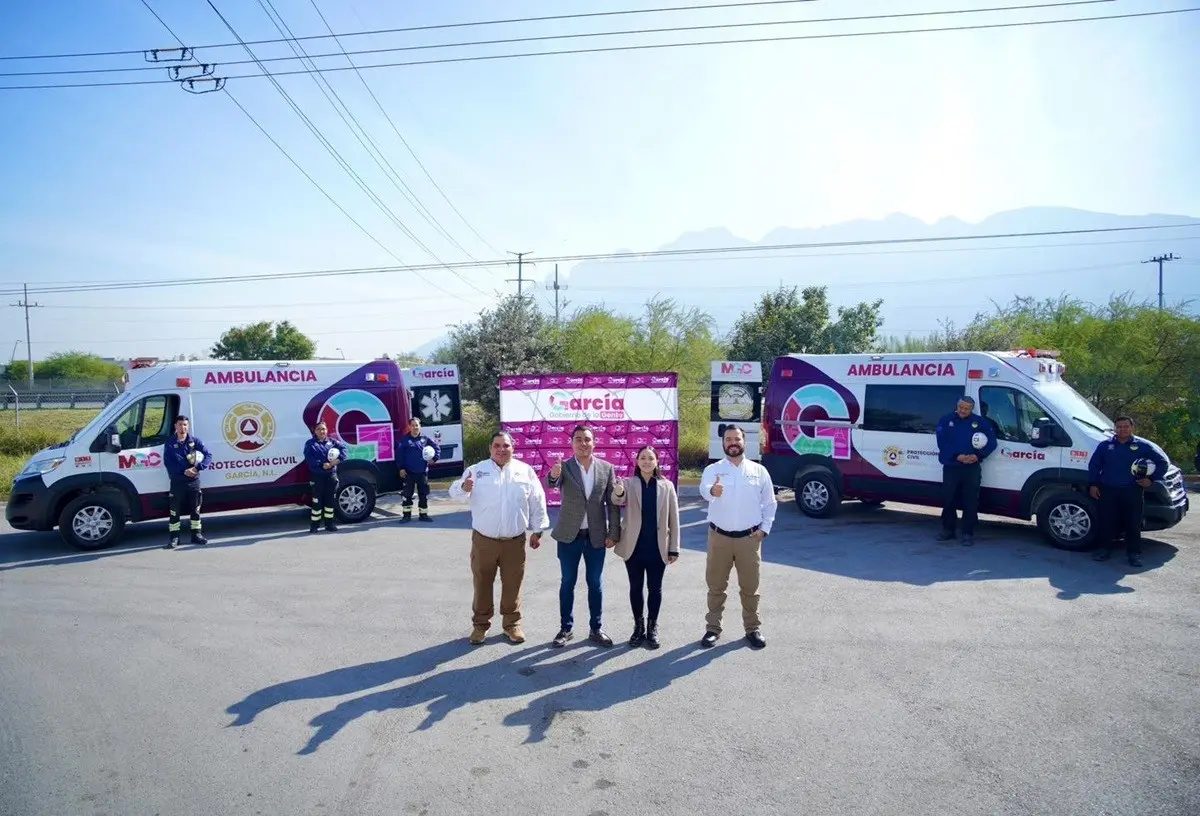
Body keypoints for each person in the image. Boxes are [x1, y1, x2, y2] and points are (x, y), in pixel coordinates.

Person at [449, 431, 549, 646]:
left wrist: (538, 530)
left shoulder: (525, 471)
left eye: (506, 445)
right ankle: (480, 626)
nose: (501, 449)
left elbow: (537, 501)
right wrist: (462, 487)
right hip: (484, 540)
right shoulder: (477, 470)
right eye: (497, 446)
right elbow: (455, 492)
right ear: (490, 448)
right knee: (482, 583)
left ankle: (512, 625)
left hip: (514, 541)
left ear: (513, 448)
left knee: (513, 583)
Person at [698, 425, 777, 649]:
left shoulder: (758, 471)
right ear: (722, 443)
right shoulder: (713, 470)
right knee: (715, 587)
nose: (733, 442)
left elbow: (770, 503)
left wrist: (764, 529)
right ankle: (713, 629)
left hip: (749, 539)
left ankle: (752, 629)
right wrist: (712, 491)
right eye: (728, 439)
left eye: (737, 438)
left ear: (744, 442)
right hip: (719, 538)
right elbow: (704, 489)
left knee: (750, 588)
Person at [545, 425, 622, 648]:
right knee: (567, 582)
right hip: (569, 535)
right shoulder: (565, 467)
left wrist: (613, 532)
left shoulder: (607, 468)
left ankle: (596, 629)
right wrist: (553, 475)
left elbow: (613, 504)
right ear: (572, 443)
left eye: (587, 439)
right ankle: (565, 629)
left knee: (595, 584)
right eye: (578, 439)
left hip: (596, 537)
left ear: (594, 442)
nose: (583, 443)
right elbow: (551, 483)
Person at [611, 446, 681, 649]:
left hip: (658, 547)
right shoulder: (628, 483)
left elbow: (674, 519)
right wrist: (617, 491)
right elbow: (618, 498)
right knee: (635, 588)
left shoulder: (666, 486)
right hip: (634, 547)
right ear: (637, 461)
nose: (646, 461)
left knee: (655, 589)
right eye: (642, 458)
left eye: (651, 458)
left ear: (657, 462)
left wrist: (674, 547)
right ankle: (638, 627)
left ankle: (652, 627)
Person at [1087, 415, 1170, 568]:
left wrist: (1151, 479)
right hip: (1108, 490)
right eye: (1119, 427)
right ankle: (1104, 550)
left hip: (1132, 491)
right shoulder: (1105, 446)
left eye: (1126, 426)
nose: (1122, 430)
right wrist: (1093, 484)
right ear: (1115, 429)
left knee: (1133, 523)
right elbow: (1094, 465)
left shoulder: (1143, 446)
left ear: (1132, 427)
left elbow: (1163, 463)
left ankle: (1134, 554)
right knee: (1107, 522)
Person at [934, 395, 997, 546]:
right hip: (952, 467)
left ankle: (967, 533)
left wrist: (978, 455)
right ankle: (948, 530)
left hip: (971, 468)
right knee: (949, 499)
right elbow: (942, 442)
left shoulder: (980, 422)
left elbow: (992, 442)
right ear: (957, 406)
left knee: (970, 501)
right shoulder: (946, 420)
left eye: (966, 408)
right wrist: (958, 456)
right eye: (961, 407)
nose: (962, 410)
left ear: (971, 409)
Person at [163, 414, 211, 549]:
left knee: (195, 510)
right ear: (175, 426)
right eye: (180, 424)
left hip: (193, 482)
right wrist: (184, 471)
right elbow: (168, 462)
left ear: (188, 426)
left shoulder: (195, 441)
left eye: (185, 425)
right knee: (174, 511)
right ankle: (174, 538)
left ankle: (196, 535)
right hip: (177, 482)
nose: (182, 427)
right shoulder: (170, 442)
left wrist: (198, 468)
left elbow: (208, 455)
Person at [303, 422, 349, 533]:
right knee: (317, 502)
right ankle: (314, 526)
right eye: (319, 429)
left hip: (331, 476)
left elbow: (345, 451)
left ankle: (330, 524)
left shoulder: (333, 442)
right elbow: (309, 458)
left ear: (327, 430)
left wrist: (334, 463)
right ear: (315, 431)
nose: (321, 431)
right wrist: (321, 464)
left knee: (330, 501)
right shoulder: (310, 444)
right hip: (317, 477)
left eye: (323, 429)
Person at [395, 417, 441, 523]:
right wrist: (401, 468)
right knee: (407, 495)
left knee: (423, 495)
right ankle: (406, 516)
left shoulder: (425, 439)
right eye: (413, 425)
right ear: (409, 427)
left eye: (417, 425)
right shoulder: (405, 440)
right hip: (408, 473)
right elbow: (399, 455)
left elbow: (436, 448)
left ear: (420, 426)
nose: (415, 427)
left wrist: (434, 459)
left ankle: (423, 515)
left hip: (422, 472)